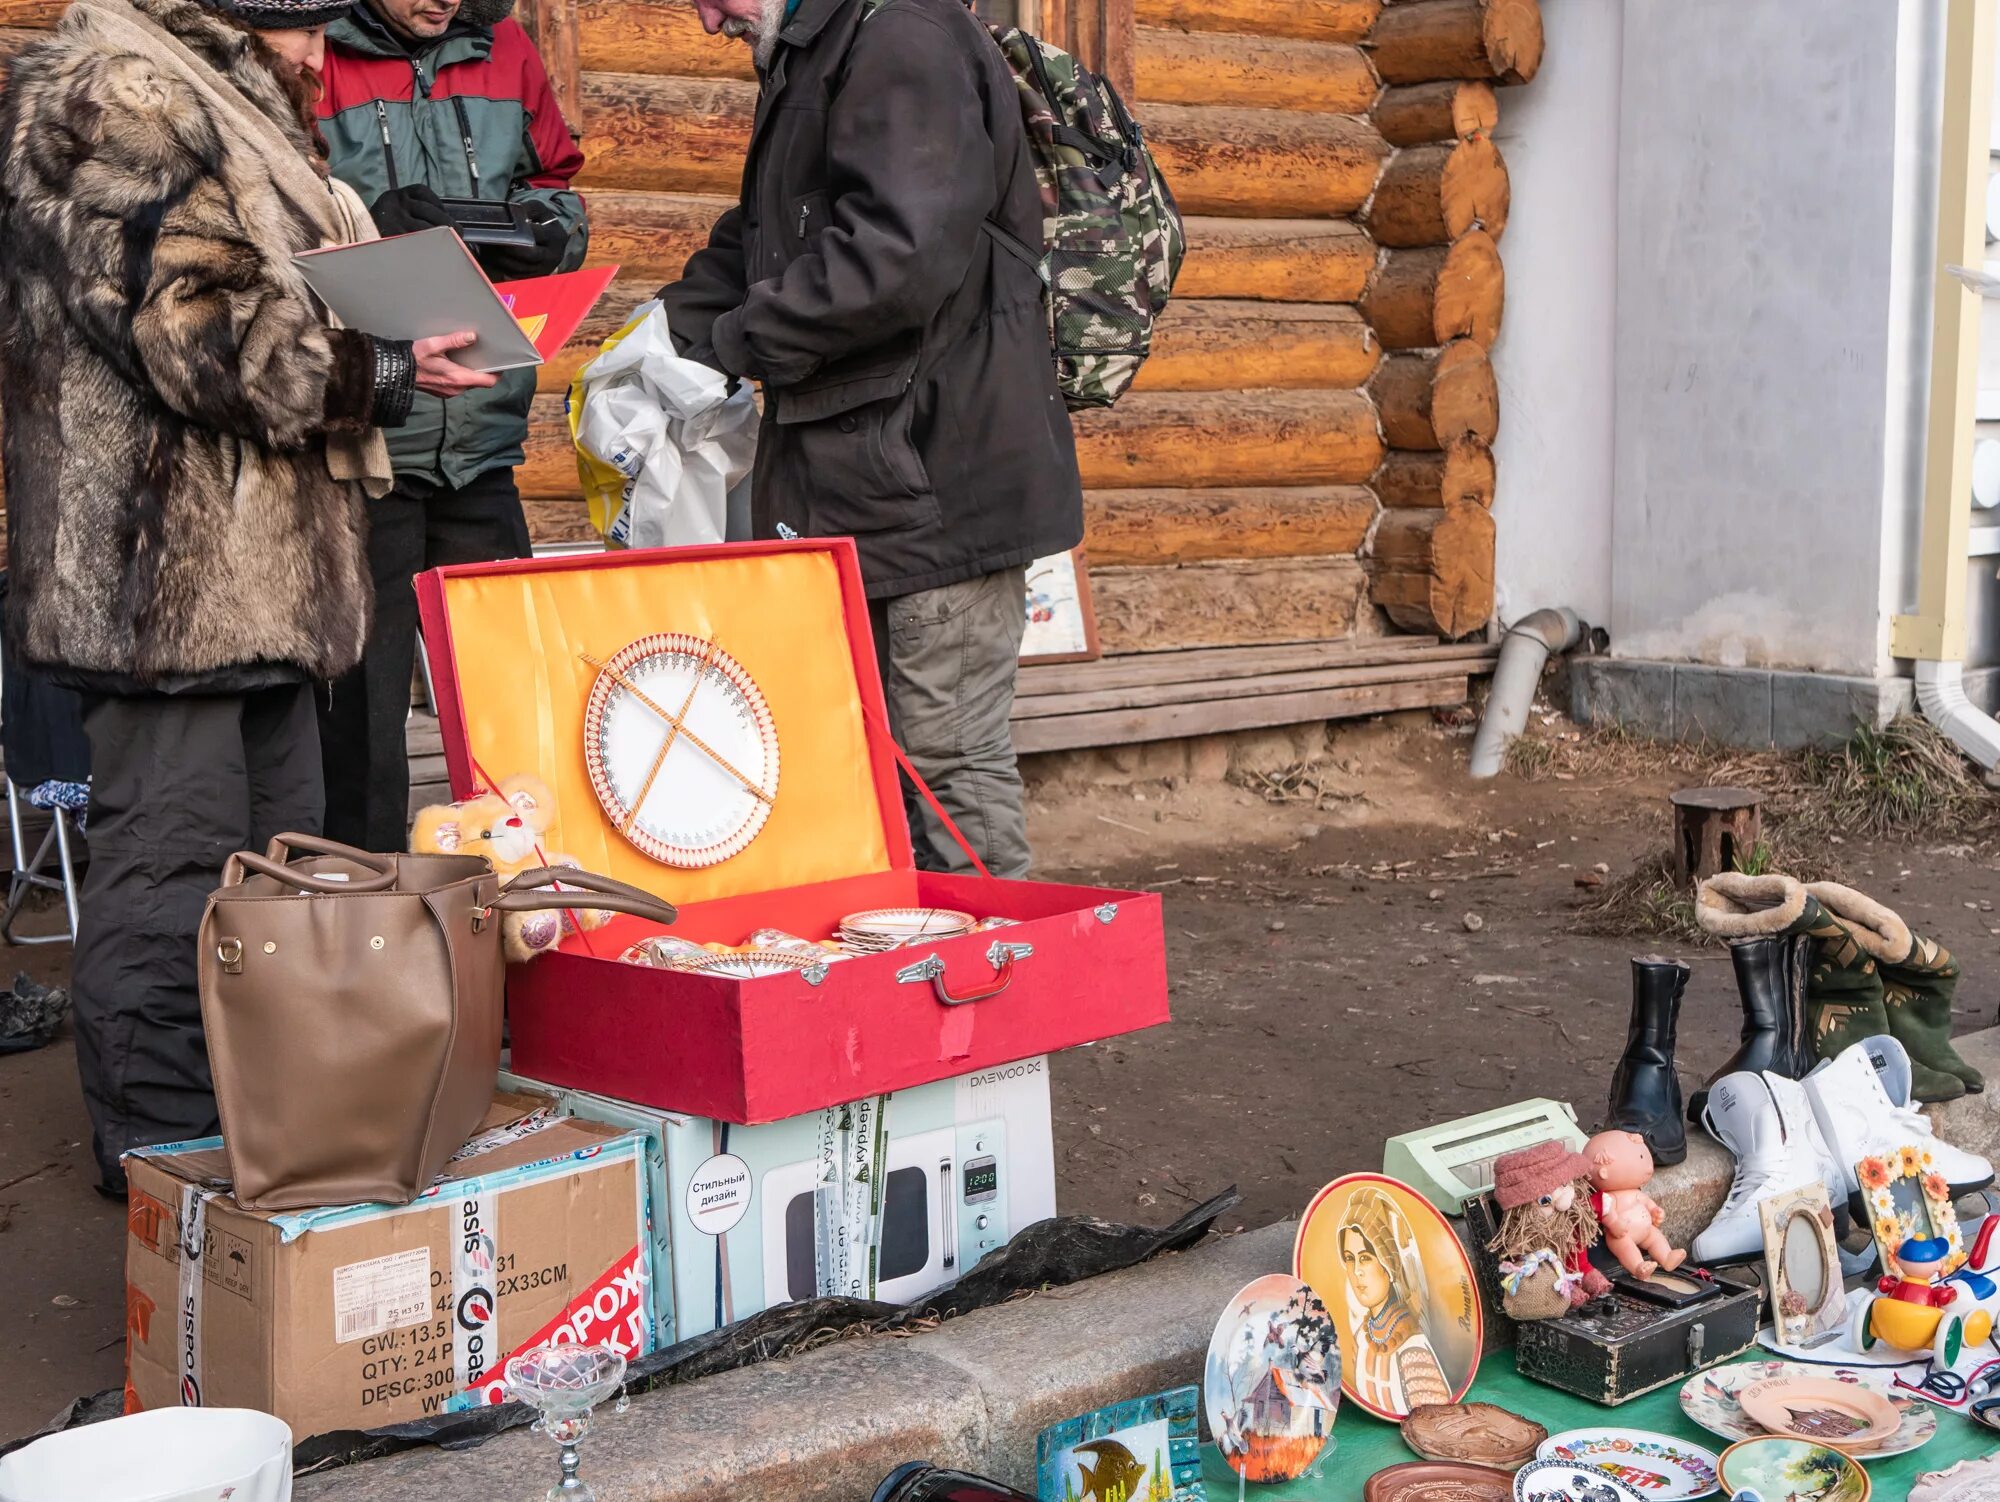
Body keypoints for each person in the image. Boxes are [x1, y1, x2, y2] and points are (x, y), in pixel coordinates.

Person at [0, 0, 495, 1193]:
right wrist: (373, 363)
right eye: (311, 29)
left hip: (267, 583)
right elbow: (191, 322)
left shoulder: (215, 86)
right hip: (163, 587)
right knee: (174, 887)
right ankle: (165, 1174)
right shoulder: (119, 91)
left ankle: (264, 1141)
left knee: (274, 888)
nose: (327, 58)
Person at [659, 0, 1083, 880]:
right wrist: (659, 339)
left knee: (944, 766)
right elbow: (766, 239)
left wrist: (739, 341)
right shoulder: (818, 48)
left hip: (939, 477)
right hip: (869, 476)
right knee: (876, 769)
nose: (708, 22)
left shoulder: (900, 36)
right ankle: (917, 995)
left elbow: (897, 254)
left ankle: (998, 1001)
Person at [315, 0, 588, 852]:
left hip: (484, 437)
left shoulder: (506, 45)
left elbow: (556, 188)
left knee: (513, 701)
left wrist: (549, 231)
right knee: (360, 723)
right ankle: (366, 921)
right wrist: (363, 225)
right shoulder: (315, 50)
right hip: (368, 448)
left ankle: (519, 906)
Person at [1336, 1187, 1454, 1414]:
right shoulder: (1363, 1336)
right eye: (1350, 1259)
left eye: (1366, 1258)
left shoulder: (1412, 1346)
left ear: (1388, 1264)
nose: (1357, 1271)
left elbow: (1437, 1419)